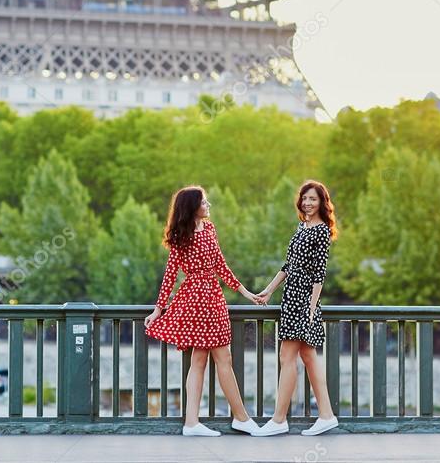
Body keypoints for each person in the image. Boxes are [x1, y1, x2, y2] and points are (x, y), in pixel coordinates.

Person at [144, 186, 262, 436]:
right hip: (196, 299)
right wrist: (158, 309)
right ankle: (237, 418)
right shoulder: (180, 235)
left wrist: (246, 292)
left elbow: (221, 265)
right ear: (192, 207)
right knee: (218, 359)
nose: (208, 205)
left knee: (203, 360)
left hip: (213, 297)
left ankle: (192, 423)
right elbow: (170, 275)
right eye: (204, 202)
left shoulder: (209, 229)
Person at [253, 179, 340, 436]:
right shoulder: (302, 227)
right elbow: (288, 266)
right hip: (291, 296)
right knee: (308, 357)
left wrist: (311, 309)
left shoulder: (321, 231)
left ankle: (279, 420)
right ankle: (326, 415)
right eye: (305, 198)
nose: (307, 203)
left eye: (313, 199)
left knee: (287, 357)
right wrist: (269, 290)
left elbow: (319, 274)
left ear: (322, 202)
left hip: (303, 299)